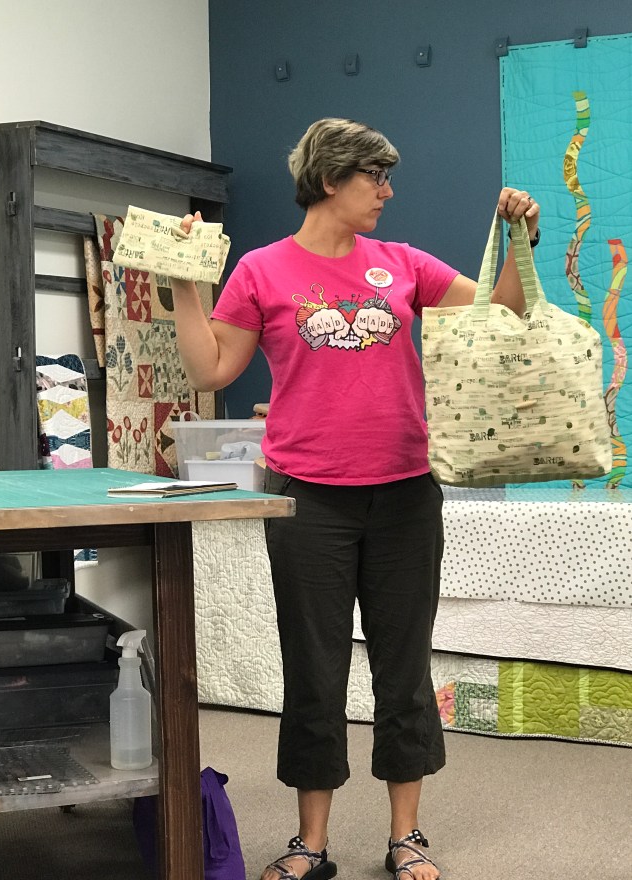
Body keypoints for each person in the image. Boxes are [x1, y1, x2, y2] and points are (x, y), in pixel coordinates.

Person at [170, 118, 540, 880]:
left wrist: (520, 240)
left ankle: (407, 837)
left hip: (405, 496)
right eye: (376, 177)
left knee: (403, 671)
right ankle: (312, 843)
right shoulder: (262, 271)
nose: (387, 192)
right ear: (330, 180)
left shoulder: (403, 264)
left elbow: (501, 313)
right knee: (314, 670)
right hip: (309, 501)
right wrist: (181, 282)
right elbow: (210, 370)